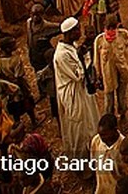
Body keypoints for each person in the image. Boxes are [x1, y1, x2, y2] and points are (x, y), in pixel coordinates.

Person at [54, 17, 100, 169]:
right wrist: (84, 57)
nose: (80, 32)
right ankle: (82, 165)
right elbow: (78, 74)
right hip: (73, 95)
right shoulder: (61, 55)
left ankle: (92, 159)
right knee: (79, 129)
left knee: (90, 122)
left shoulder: (71, 46)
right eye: (78, 29)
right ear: (70, 32)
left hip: (81, 92)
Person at [94, 14, 128, 124]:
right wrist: (98, 74)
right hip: (108, 74)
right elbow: (96, 59)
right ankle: (110, 119)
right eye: (108, 28)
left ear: (117, 26)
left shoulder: (122, 35)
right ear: (104, 27)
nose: (111, 31)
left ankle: (123, 114)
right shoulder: (100, 40)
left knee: (122, 96)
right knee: (109, 98)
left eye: (113, 28)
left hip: (122, 71)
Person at [92, 113, 125, 194]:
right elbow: (94, 163)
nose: (101, 138)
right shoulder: (96, 141)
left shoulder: (124, 146)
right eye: (100, 134)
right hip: (101, 188)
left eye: (104, 135)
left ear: (115, 130)